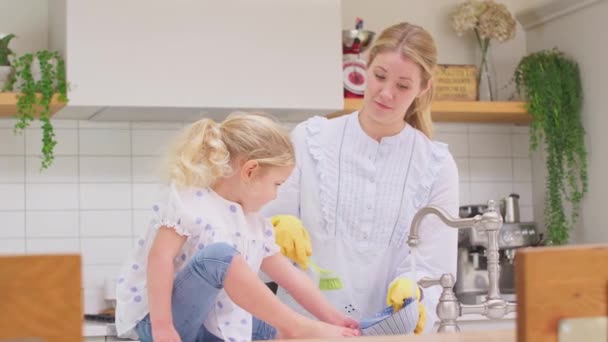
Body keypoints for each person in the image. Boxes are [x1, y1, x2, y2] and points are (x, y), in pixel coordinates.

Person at [262, 22, 459, 334]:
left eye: (403, 85)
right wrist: (274, 225)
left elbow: (435, 264)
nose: (386, 92)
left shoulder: (436, 165)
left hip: (389, 331)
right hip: (304, 328)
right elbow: (261, 236)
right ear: (366, 67)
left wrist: (413, 286)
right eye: (380, 76)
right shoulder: (311, 138)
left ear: (423, 88)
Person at [115, 112, 361, 342]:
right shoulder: (189, 201)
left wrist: (335, 318)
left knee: (266, 324)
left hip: (212, 325)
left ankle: (293, 329)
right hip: (164, 323)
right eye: (277, 183)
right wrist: (162, 326)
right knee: (221, 257)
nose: (276, 195)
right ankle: (294, 326)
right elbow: (159, 258)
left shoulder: (255, 224)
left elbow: (291, 278)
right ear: (250, 170)